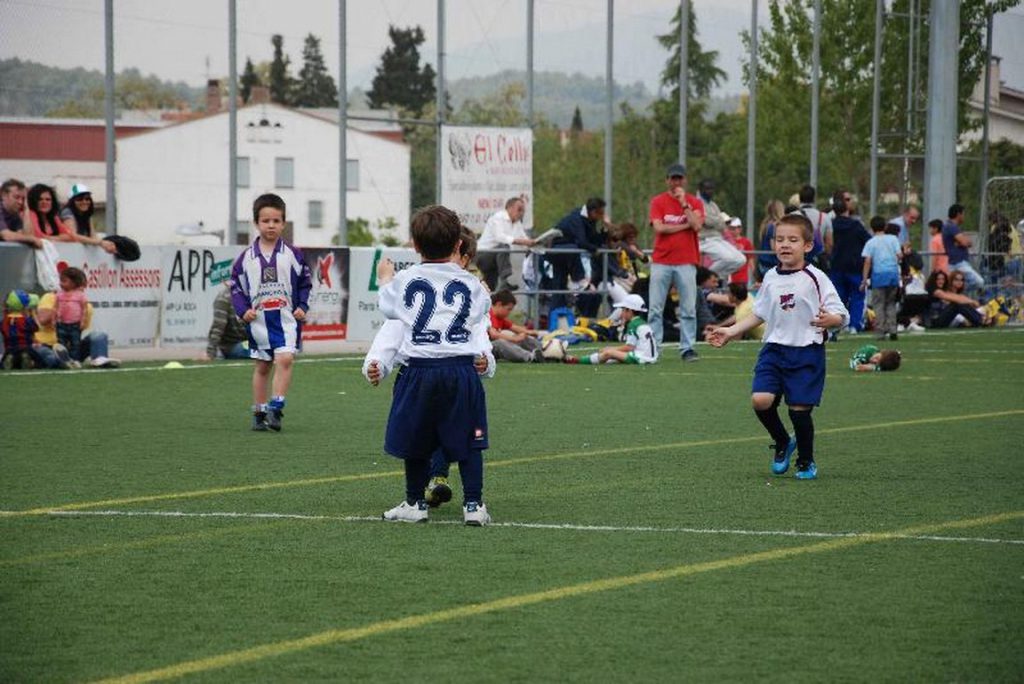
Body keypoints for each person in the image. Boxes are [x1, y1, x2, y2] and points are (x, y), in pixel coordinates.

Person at [374, 205, 494, 526]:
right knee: (469, 441)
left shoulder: (405, 279)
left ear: (414, 245)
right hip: (459, 370)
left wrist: (384, 278)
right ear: (458, 245)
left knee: (416, 439)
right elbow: (481, 309)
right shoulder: (470, 282)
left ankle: (415, 503)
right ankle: (473, 505)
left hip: (419, 370)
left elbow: (387, 307)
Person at [707, 213, 849, 480]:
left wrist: (832, 320)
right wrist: (730, 331)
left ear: (807, 246)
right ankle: (782, 441)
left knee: (799, 411)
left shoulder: (815, 277)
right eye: (779, 239)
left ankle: (806, 461)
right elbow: (760, 313)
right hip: (774, 349)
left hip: (806, 351)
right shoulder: (771, 276)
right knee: (760, 401)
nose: (785, 244)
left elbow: (841, 313)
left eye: (792, 240)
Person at [230, 193, 311, 432]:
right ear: (256, 223)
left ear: (283, 223)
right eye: (266, 221)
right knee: (263, 366)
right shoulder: (246, 258)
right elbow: (235, 286)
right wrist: (243, 310)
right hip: (259, 322)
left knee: (285, 359)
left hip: (286, 319)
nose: (271, 225)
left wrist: (302, 306)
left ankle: (276, 407)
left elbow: (306, 282)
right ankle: (259, 411)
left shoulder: (293, 255)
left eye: (276, 221)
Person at [648, 162, 704, 362]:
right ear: (667, 180)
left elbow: (696, 225)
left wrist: (684, 205)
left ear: (685, 180)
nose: (676, 182)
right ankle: (654, 347)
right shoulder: (658, 201)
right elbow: (659, 228)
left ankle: (687, 348)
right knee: (656, 307)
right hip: (661, 260)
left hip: (686, 260)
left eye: (679, 178)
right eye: (672, 178)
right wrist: (684, 226)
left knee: (688, 308)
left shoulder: (694, 203)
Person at [33, 277, 120, 369]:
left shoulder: (86, 306)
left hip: (72, 347)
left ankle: (99, 359)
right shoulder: (50, 297)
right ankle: (63, 362)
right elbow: (42, 320)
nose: (80, 290)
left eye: (81, 287)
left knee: (99, 335)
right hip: (47, 345)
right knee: (46, 354)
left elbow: (78, 330)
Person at [545, 198, 608, 310]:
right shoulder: (576, 219)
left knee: (559, 287)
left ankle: (556, 316)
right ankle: (578, 279)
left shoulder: (590, 221)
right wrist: (595, 250)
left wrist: (605, 229)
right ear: (593, 212)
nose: (601, 216)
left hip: (567, 256)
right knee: (573, 248)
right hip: (557, 251)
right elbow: (581, 242)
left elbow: (594, 240)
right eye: (601, 213)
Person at [564, 294, 658, 365]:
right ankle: (584, 359)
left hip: (641, 358)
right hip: (650, 357)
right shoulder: (642, 322)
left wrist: (611, 348)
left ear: (629, 311)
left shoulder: (633, 324)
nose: (621, 313)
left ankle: (578, 360)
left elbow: (629, 347)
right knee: (612, 358)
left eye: (623, 309)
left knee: (608, 353)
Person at [828, 189, 870, 334]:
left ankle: (836, 325)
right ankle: (854, 325)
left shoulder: (831, 225)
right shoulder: (856, 225)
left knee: (837, 297)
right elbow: (868, 241)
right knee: (857, 297)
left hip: (836, 266)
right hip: (854, 266)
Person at [476, 196, 533, 292]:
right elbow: (500, 237)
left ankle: (492, 300)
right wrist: (523, 242)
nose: (522, 213)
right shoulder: (497, 218)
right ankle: (505, 279)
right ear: (510, 208)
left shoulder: (517, 223)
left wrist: (535, 243)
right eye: (519, 210)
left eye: (523, 211)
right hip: (482, 255)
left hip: (495, 259)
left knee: (489, 289)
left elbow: (524, 240)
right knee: (504, 247)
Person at [861, 216, 902, 341]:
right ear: (885, 227)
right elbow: (899, 255)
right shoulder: (893, 239)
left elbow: (867, 261)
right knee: (890, 303)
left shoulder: (870, 242)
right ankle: (893, 329)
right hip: (893, 274)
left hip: (878, 275)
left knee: (878, 304)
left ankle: (881, 331)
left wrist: (864, 279)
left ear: (872, 229)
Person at [697, 179, 745, 281]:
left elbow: (722, 225)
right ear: (700, 189)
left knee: (741, 259)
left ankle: (709, 277)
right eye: (707, 189)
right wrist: (717, 220)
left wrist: (716, 221)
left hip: (718, 238)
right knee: (728, 258)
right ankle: (705, 278)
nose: (710, 191)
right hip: (705, 239)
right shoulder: (696, 202)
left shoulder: (713, 205)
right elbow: (707, 221)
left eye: (711, 189)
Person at [488, 289, 545, 363]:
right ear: (499, 304)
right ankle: (531, 357)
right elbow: (494, 335)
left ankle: (544, 352)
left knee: (523, 337)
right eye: (508, 309)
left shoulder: (500, 318)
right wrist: (514, 339)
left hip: (492, 347)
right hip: (485, 350)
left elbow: (515, 327)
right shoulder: (488, 315)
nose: (509, 312)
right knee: (500, 343)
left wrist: (531, 332)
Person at [58, 184, 117, 253]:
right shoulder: (67, 212)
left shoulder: (86, 214)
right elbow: (73, 236)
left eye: (87, 199)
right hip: (67, 251)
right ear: (72, 201)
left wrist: (107, 245)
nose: (84, 202)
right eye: (80, 199)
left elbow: (93, 236)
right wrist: (100, 242)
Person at [201, 284, 250, 361]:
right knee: (262, 352)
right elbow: (218, 326)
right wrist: (210, 353)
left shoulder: (250, 294)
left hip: (251, 341)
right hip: (234, 345)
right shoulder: (223, 297)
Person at [942, 203, 984, 290]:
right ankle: (959, 292)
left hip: (956, 262)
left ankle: (957, 294)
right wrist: (963, 242)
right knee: (979, 282)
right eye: (963, 214)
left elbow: (966, 242)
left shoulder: (950, 226)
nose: (964, 216)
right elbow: (965, 242)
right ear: (958, 214)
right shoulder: (951, 227)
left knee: (954, 285)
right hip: (958, 263)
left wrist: (962, 242)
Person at [1, 289, 42, 369]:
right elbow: (37, 327)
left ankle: (9, 360)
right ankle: (29, 362)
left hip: (9, 349)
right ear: (24, 307)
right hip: (25, 348)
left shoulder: (4, 321)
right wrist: (33, 313)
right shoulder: (26, 320)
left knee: (3, 365)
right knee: (41, 362)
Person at [54, 266, 88, 360]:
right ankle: (63, 360)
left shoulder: (80, 295)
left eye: (64, 281)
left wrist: (83, 321)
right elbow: (55, 307)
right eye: (60, 281)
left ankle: (74, 360)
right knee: (61, 343)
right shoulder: (59, 294)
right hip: (61, 324)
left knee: (75, 344)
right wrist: (54, 319)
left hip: (75, 325)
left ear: (74, 283)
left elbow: (84, 309)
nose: (61, 283)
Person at [0, 179, 42, 248]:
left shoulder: (14, 215)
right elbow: (6, 235)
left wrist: (26, 209)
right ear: (4, 195)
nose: (20, 202)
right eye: (16, 197)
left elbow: (27, 234)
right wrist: (32, 239)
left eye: (23, 199)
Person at [797, 184, 831, 266]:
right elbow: (829, 243)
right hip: (818, 260)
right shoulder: (824, 217)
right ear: (814, 198)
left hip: (798, 259)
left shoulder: (792, 216)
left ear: (800, 198)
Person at [756, 199, 785, 280]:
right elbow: (774, 247)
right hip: (771, 264)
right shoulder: (774, 226)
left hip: (763, 262)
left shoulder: (765, 224)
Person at [725, 215, 754, 285]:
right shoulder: (726, 241)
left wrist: (753, 274)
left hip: (742, 277)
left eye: (734, 228)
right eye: (730, 228)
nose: (732, 231)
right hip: (729, 276)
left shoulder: (746, 242)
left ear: (740, 229)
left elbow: (750, 259)